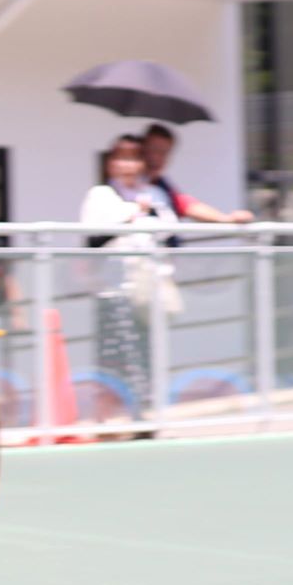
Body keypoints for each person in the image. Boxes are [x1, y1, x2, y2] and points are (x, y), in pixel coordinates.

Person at [81, 136, 175, 418]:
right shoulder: (101, 195)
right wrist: (130, 215)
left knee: (147, 353)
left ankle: (144, 414)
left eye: (134, 158)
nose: (128, 165)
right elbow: (93, 235)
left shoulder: (155, 194)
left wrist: (151, 211)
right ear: (110, 163)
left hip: (148, 288)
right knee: (116, 356)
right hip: (114, 288)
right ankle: (108, 417)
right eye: (121, 158)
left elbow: (169, 231)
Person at [140, 124, 256, 229]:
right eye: (153, 150)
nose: (156, 158)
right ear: (141, 149)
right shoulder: (124, 184)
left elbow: (190, 206)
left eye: (164, 152)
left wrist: (227, 219)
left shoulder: (161, 185)